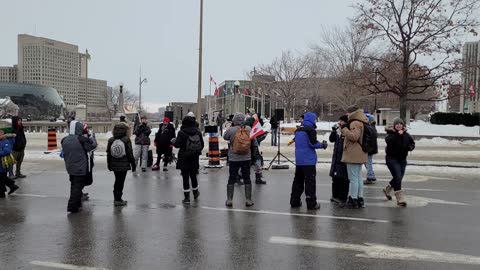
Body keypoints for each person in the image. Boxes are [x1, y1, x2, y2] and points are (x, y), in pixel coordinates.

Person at [290, 112, 327, 210]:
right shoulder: (310, 130)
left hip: (299, 160)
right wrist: (322, 145)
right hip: (308, 161)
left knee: (298, 181)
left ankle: (294, 201)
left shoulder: (298, 130)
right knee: (310, 182)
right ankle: (311, 203)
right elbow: (313, 143)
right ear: (312, 119)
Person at [61, 120, 97, 213]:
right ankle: (72, 206)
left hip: (70, 166)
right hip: (80, 167)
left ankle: (77, 205)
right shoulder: (81, 139)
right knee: (77, 187)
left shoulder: (64, 139)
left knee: (74, 185)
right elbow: (92, 145)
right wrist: (92, 137)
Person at [223, 112, 257, 207]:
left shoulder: (231, 130)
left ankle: (229, 200)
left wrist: (230, 127)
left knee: (232, 177)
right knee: (247, 177)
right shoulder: (249, 129)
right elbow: (254, 143)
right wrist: (252, 155)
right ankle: (248, 200)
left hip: (234, 158)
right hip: (246, 158)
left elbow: (225, 137)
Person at [340, 106, 369, 209]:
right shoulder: (363, 121)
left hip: (353, 154)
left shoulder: (355, 123)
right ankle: (359, 198)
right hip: (360, 153)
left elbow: (354, 137)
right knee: (358, 177)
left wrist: (344, 129)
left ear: (352, 113)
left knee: (353, 178)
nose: (347, 115)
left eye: (348, 113)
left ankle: (353, 199)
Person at [383, 118, 415, 207]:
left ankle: (387, 190)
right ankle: (400, 198)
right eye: (397, 124)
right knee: (397, 177)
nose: (399, 125)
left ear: (403, 125)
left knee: (399, 177)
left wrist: (410, 147)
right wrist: (398, 134)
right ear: (394, 125)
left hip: (402, 160)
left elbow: (412, 143)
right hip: (392, 159)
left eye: (400, 124)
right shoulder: (390, 134)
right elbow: (389, 141)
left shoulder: (407, 135)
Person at [173, 116, 204, 204]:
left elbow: (177, 145)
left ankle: (187, 198)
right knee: (193, 175)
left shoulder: (182, 133)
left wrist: (174, 141)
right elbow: (202, 144)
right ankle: (195, 192)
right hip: (194, 157)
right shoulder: (198, 132)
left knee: (185, 177)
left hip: (184, 157)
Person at [107, 122, 136, 206]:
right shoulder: (126, 139)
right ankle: (118, 199)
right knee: (120, 182)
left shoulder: (111, 140)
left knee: (117, 181)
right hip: (124, 165)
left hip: (114, 165)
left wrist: (109, 165)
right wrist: (133, 164)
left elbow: (108, 153)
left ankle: (116, 198)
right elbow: (130, 153)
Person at [329, 115, 349, 204]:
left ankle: (343, 197)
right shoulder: (339, 131)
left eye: (341, 121)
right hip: (336, 158)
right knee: (335, 178)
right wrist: (333, 131)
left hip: (343, 159)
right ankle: (335, 195)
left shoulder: (347, 131)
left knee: (343, 179)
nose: (339, 123)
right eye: (339, 121)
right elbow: (331, 140)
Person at [245, 109, 266, 184]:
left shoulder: (251, 121)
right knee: (254, 161)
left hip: (252, 144)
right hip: (251, 144)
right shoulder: (249, 121)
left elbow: (260, 125)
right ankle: (256, 177)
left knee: (254, 161)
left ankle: (257, 177)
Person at [0, 128, 19, 198]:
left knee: (1, 177)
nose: (0, 133)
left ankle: (3, 192)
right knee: (2, 178)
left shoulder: (6, 141)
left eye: (1, 132)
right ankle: (12, 186)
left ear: (4, 134)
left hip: (3, 163)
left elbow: (7, 151)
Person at [364, 114, 378, 185]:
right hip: (371, 148)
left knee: (368, 162)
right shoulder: (373, 127)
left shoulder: (369, 127)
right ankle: (371, 175)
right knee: (368, 162)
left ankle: (370, 176)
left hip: (369, 148)